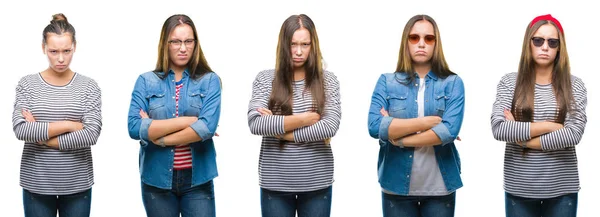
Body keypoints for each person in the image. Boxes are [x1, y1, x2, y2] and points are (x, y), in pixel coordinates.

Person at [367, 14, 465, 217]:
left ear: (436, 43)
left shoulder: (453, 83)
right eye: (414, 38)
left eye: (428, 38)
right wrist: (427, 123)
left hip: (440, 188)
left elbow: (448, 131)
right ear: (406, 42)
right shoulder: (386, 81)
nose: (421, 44)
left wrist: (397, 138)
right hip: (395, 186)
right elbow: (375, 126)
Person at [491, 14, 586, 217]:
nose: (545, 47)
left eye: (552, 42)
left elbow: (573, 134)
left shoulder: (574, 85)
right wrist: (550, 126)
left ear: (560, 47)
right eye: (538, 40)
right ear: (529, 43)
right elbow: (499, 129)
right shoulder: (510, 83)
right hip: (519, 188)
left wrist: (523, 141)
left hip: (562, 190)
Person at [247, 14, 341, 217]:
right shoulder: (266, 78)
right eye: (293, 44)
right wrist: (305, 119)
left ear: (313, 45)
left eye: (305, 44)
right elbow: (256, 123)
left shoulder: (328, 80)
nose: (299, 51)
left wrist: (283, 133)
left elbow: (330, 126)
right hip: (275, 183)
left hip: (317, 182)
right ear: (283, 45)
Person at [127, 14, 221, 217]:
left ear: (195, 44)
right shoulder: (145, 81)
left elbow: (206, 128)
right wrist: (190, 122)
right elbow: (134, 127)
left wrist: (158, 137)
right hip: (156, 180)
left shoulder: (210, 80)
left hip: (198, 180)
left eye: (188, 41)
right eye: (176, 42)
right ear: (165, 43)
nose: (183, 48)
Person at [12, 13, 102, 217]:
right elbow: (21, 129)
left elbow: (91, 134)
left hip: (77, 184)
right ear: (43, 48)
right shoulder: (27, 84)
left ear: (75, 47)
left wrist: (42, 139)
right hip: (36, 183)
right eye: (53, 51)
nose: (60, 58)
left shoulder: (89, 86)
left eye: (66, 51)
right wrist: (70, 124)